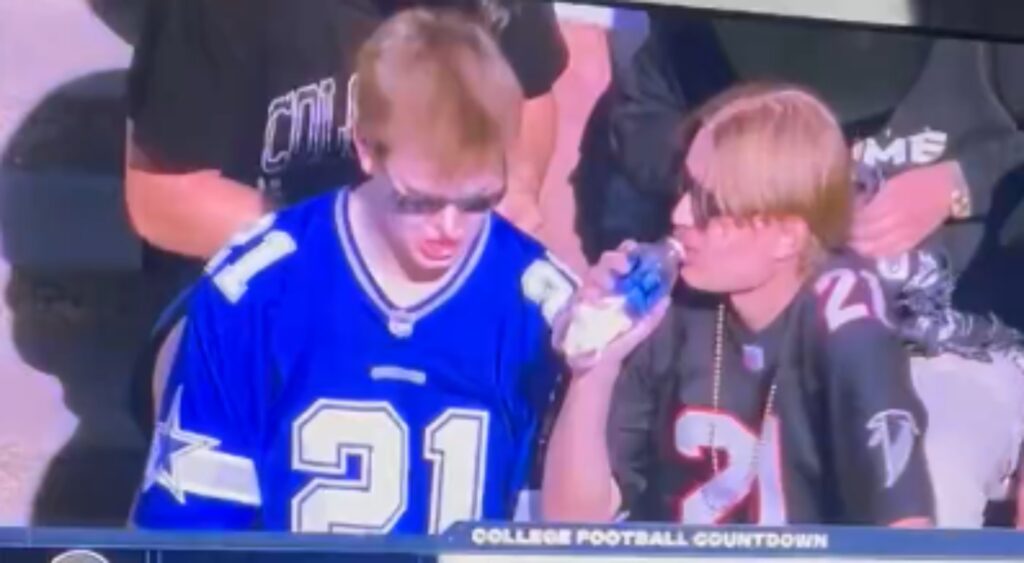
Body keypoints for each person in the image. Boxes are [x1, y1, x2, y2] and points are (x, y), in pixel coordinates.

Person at [573, 8, 1024, 528]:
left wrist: (963, 181)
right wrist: (750, 180)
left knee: (931, 479)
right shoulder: (705, 34)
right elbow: (640, 120)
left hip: (944, 341)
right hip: (756, 336)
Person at [131, 8, 576, 533]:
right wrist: (319, 251)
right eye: (423, 201)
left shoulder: (539, 306)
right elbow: (196, 526)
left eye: (478, 201)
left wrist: (518, 190)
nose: (450, 228)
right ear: (364, 147)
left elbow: (568, 530)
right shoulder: (251, 293)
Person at [543, 83, 934, 525]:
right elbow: (570, 526)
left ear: (788, 234)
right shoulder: (669, 304)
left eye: (711, 205)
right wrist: (594, 367)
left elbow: (908, 531)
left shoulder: (848, 326)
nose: (681, 215)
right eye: (685, 187)